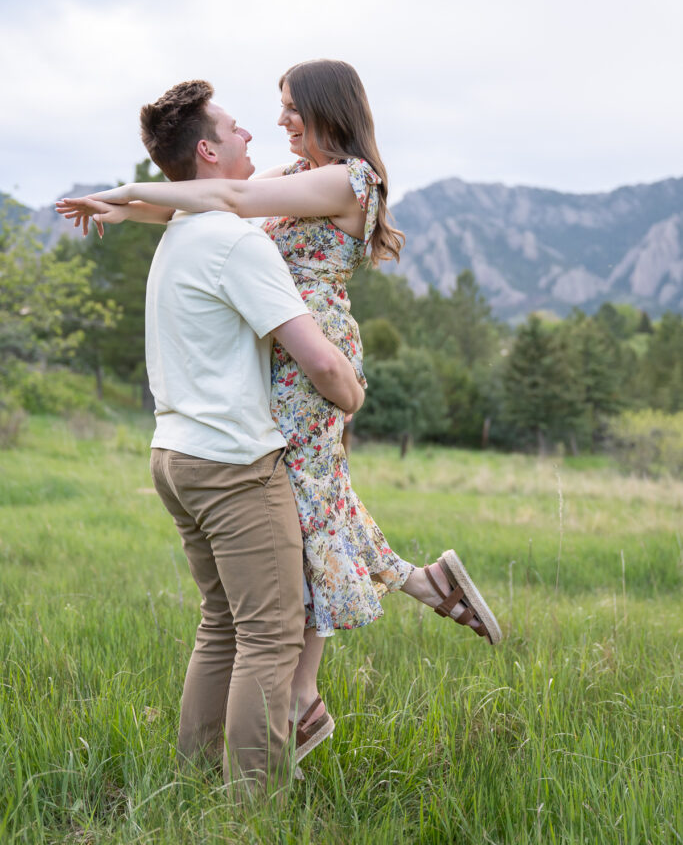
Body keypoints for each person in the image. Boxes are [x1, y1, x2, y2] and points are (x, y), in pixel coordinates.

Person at [57, 61, 502, 767]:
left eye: (291, 106)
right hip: (281, 342)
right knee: (312, 499)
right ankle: (416, 588)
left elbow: (228, 193)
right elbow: (205, 204)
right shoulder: (300, 177)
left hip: (307, 344)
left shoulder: (348, 178)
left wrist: (123, 187)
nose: (281, 120)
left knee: (307, 503)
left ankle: (301, 691)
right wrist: (126, 210)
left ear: (327, 107)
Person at [91, 80, 365, 796]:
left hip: (173, 455)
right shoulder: (236, 241)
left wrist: (124, 205)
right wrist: (350, 393)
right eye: (239, 129)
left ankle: (190, 786)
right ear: (208, 148)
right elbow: (317, 357)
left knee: (222, 626)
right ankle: (252, 806)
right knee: (272, 637)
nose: (255, 137)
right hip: (233, 466)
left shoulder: (185, 232)